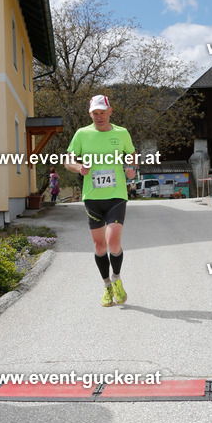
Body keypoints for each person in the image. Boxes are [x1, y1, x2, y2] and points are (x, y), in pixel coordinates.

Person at [66, 94, 137, 307]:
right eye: (95, 113)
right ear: (90, 114)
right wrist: (79, 167)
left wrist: (131, 167)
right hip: (92, 197)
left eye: (102, 113)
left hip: (116, 195)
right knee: (99, 246)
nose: (99, 117)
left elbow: (132, 154)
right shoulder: (82, 134)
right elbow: (68, 160)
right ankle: (106, 286)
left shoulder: (121, 133)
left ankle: (116, 279)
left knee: (113, 241)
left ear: (110, 112)